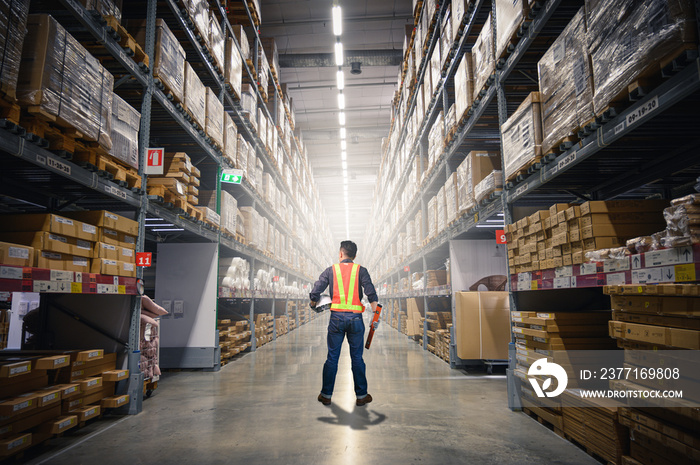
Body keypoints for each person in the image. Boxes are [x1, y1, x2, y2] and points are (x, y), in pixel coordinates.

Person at [309, 240, 379, 407]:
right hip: (356, 320)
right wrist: (375, 318)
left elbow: (315, 291)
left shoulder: (330, 270)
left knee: (332, 357)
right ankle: (361, 396)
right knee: (357, 358)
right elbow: (372, 295)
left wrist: (314, 303)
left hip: (336, 320)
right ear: (355, 256)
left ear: (341, 254)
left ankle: (326, 395)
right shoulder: (361, 270)